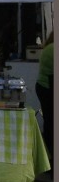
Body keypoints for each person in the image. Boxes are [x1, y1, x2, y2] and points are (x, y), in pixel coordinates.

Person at [36, 32, 53, 172]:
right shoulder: (53, 49)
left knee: (49, 124)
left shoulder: (49, 48)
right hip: (49, 88)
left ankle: (49, 159)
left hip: (45, 88)